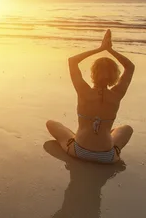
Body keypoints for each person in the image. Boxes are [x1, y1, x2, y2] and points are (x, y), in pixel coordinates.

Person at [46, 29, 135, 163]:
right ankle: (106, 143)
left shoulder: (83, 91)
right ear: (114, 75)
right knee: (126, 129)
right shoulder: (117, 94)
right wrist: (110, 50)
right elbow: (130, 67)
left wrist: (100, 48)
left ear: (93, 73)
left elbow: (72, 61)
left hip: (79, 151)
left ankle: (78, 136)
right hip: (108, 157)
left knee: (51, 124)